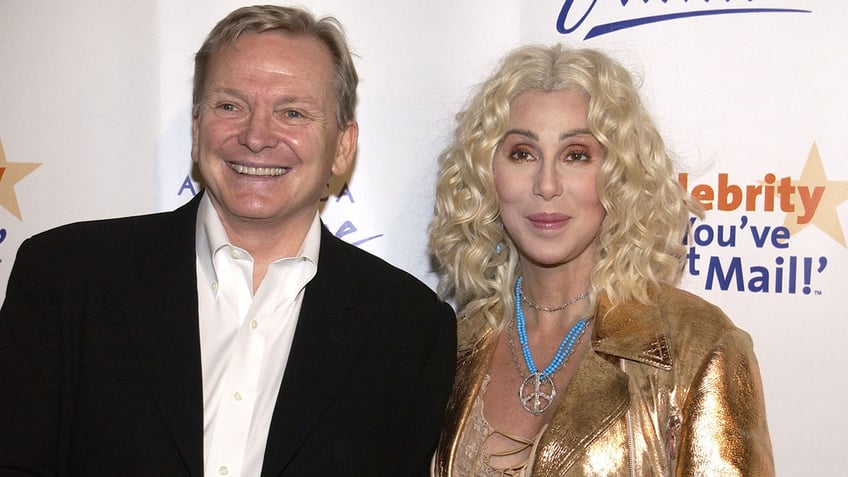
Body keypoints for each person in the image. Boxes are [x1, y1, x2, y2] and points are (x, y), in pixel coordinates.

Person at [0, 5, 455, 476]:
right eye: (230, 106)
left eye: (292, 112)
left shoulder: (410, 330)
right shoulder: (66, 278)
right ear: (197, 131)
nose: (257, 137)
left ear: (342, 146)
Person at [428, 44, 773, 476]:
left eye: (576, 154)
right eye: (522, 153)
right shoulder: (451, 346)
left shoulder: (698, 347)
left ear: (620, 175)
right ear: (486, 174)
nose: (547, 184)